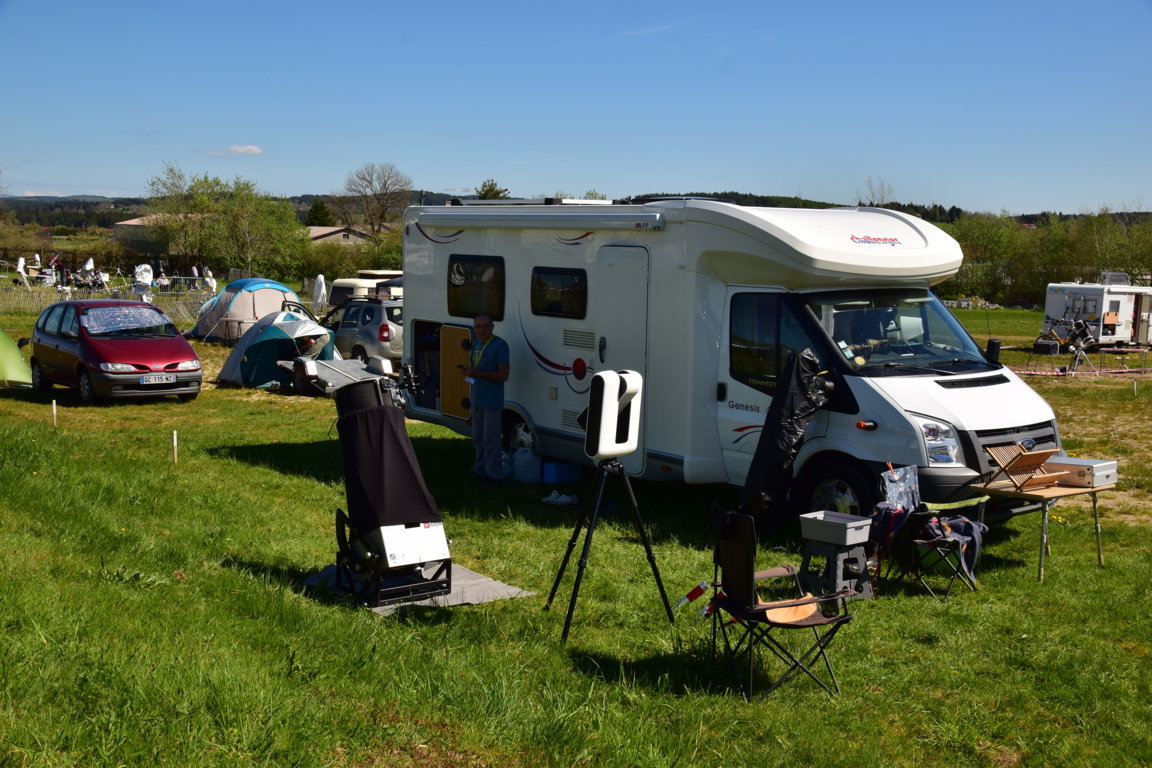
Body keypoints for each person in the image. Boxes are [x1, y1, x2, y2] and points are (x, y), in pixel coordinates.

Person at [463, 313, 510, 485]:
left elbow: (503, 376)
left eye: (485, 326)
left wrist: (479, 374)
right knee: (477, 439)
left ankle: (494, 475)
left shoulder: (500, 345)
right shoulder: (476, 343)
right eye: (478, 327)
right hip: (477, 399)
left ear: (492, 327)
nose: (482, 330)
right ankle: (479, 470)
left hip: (492, 402)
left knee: (491, 440)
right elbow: (475, 373)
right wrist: (468, 374)